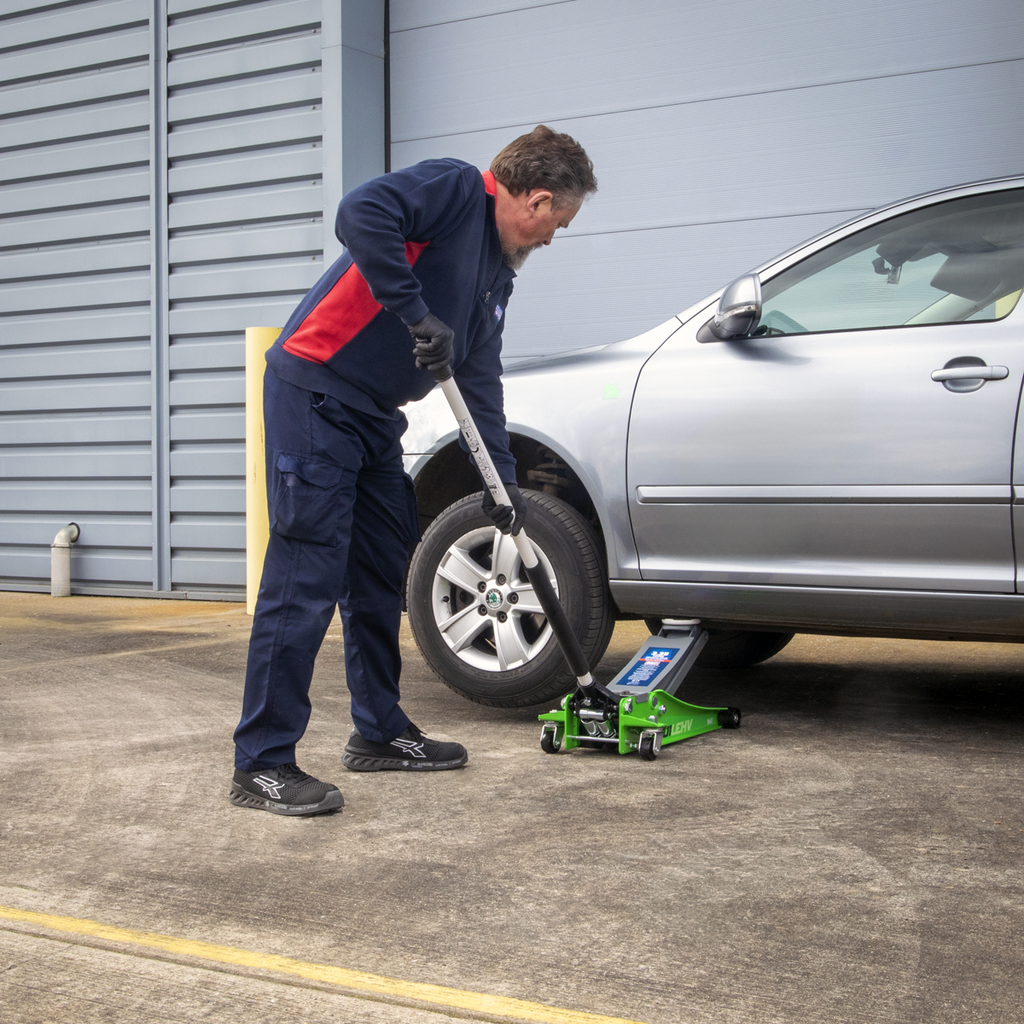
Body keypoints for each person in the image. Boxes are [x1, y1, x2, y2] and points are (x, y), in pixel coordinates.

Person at [229, 125, 598, 816]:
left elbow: (479, 380)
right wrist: (415, 313)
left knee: (377, 577)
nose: (553, 238)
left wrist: (500, 482)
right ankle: (262, 761)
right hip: (315, 392)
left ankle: (379, 731)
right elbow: (359, 215)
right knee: (305, 577)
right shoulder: (456, 189)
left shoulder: (497, 273)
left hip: (374, 415)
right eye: (560, 223)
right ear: (538, 199)